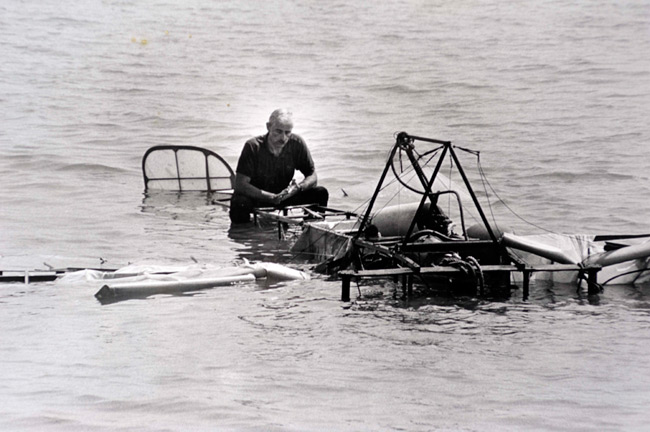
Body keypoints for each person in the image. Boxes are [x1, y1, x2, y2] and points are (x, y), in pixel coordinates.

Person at [229, 109, 329, 223]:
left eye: (287, 132)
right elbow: (240, 185)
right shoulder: (253, 146)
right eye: (278, 131)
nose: (283, 138)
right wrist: (270, 197)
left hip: (283, 196)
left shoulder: (297, 143)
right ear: (268, 127)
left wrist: (298, 188)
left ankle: (312, 230)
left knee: (320, 192)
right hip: (257, 197)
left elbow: (312, 175)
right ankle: (243, 236)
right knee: (239, 202)